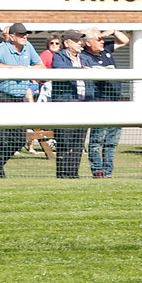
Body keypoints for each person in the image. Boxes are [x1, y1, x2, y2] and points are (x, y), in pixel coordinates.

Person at [0, 22, 45, 177]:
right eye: (20, 34)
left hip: (19, 99)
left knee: (18, 140)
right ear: (11, 37)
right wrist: (14, 69)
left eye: (25, 34)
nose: (24, 37)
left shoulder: (28, 47)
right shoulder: (4, 48)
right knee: (1, 137)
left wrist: (28, 69)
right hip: (2, 98)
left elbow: (41, 66)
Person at [81, 27, 129, 178]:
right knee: (97, 140)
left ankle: (108, 172)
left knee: (111, 142)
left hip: (116, 102)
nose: (102, 42)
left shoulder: (106, 49)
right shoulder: (84, 56)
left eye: (102, 39)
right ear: (88, 43)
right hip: (99, 102)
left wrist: (113, 31)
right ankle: (97, 170)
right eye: (98, 39)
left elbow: (125, 40)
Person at [51, 30, 89, 178]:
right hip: (64, 105)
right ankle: (63, 174)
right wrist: (81, 70)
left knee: (78, 143)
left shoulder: (84, 58)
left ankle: (74, 174)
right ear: (67, 43)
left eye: (80, 40)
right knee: (65, 142)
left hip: (82, 105)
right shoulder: (59, 56)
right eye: (76, 40)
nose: (80, 43)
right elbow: (59, 69)